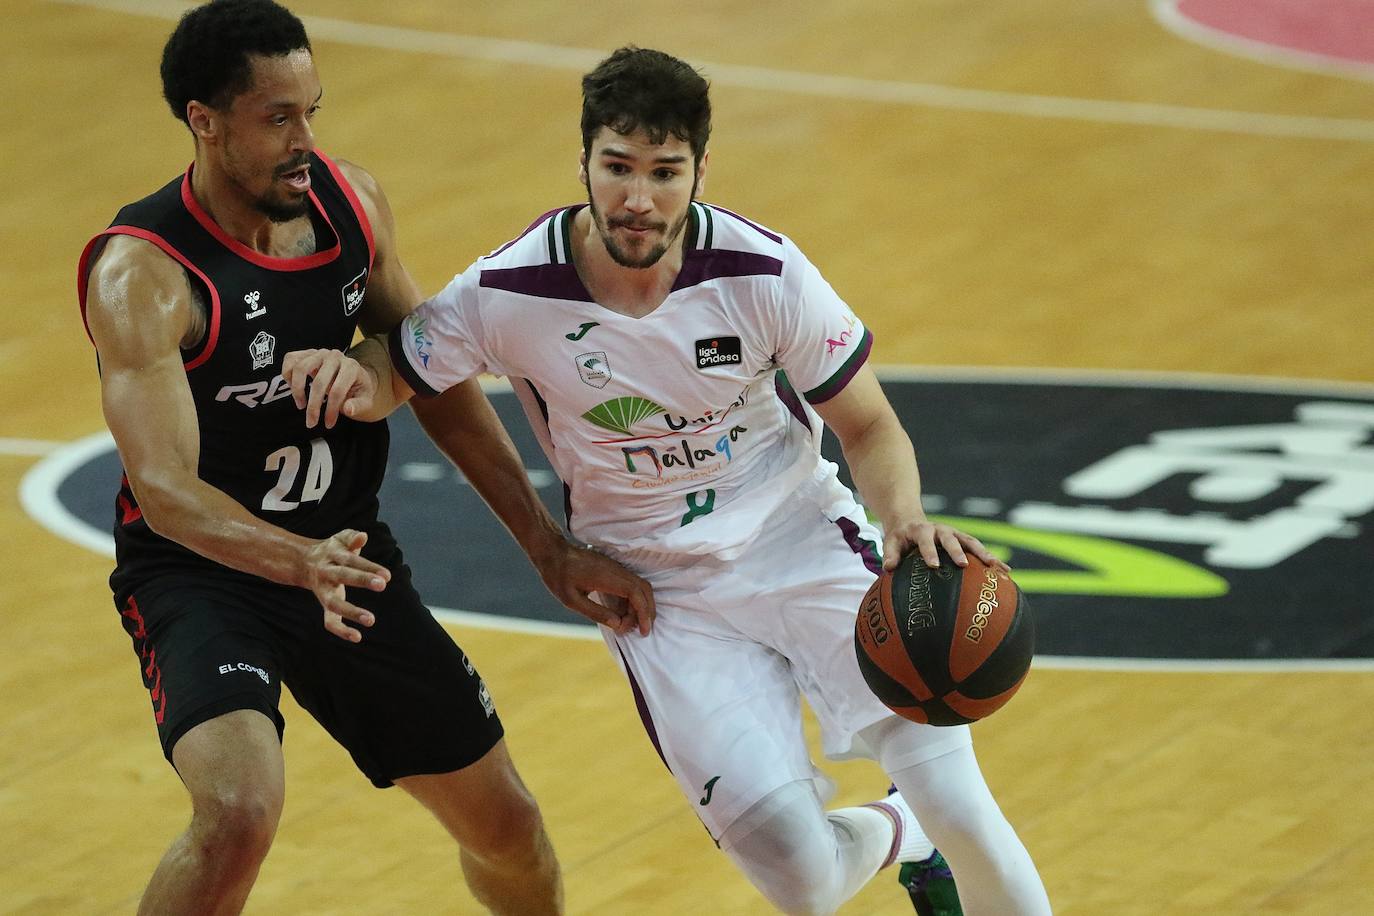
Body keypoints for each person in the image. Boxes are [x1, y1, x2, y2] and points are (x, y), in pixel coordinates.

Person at [287, 47, 1051, 915]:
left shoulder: (764, 273)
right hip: (659, 593)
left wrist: (903, 515)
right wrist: (351, 376)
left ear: (700, 170)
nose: (638, 199)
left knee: (961, 805)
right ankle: (903, 832)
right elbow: (399, 369)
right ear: (583, 162)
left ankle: (932, 823)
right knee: (803, 882)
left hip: (798, 540)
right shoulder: (508, 290)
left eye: (664, 171)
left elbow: (868, 424)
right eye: (617, 167)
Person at [77, 3, 653, 914]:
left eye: (312, 111)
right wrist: (294, 561)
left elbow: (436, 377)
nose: (305, 141)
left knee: (507, 827)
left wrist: (545, 545)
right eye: (278, 118)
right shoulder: (144, 275)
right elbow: (165, 491)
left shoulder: (350, 205)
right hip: (204, 576)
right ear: (204, 121)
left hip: (346, 557)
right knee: (238, 812)